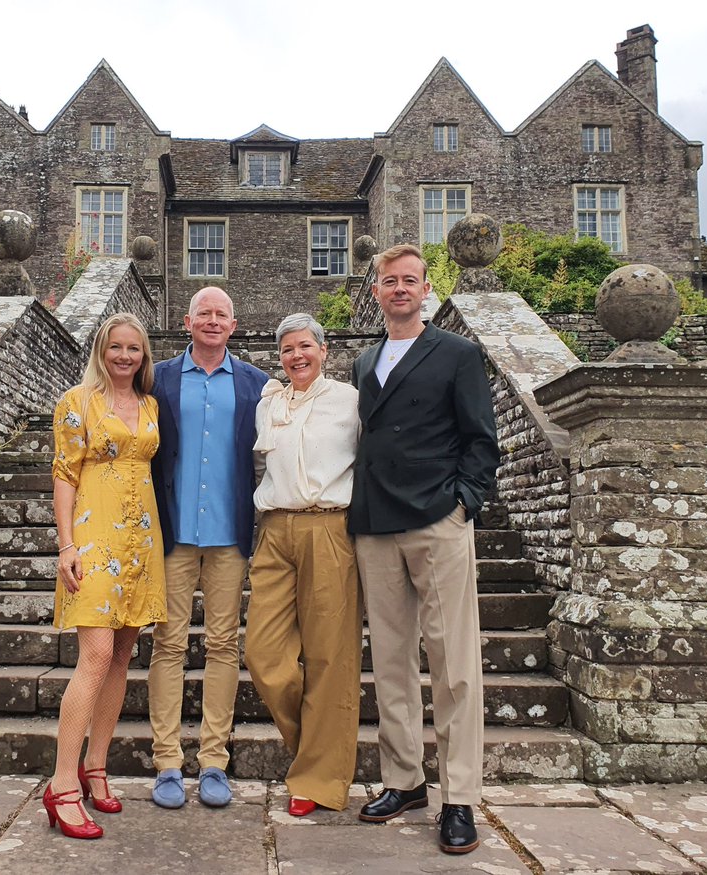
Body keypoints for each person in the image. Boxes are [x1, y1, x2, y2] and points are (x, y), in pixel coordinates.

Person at [349, 244, 499, 856]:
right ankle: (404, 781)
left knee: (453, 664)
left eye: (410, 280)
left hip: (437, 520)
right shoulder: (363, 362)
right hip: (375, 523)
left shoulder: (458, 354)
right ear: (377, 291)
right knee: (390, 662)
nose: (400, 289)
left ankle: (459, 796)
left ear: (426, 288)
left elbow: (481, 440)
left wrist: (461, 502)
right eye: (390, 281)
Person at [43, 312, 167, 840]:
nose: (124, 356)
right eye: (115, 347)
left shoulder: (149, 404)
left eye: (134, 348)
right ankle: (62, 785)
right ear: (102, 350)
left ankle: (97, 766)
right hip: (94, 536)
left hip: (142, 538)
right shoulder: (78, 402)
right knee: (94, 655)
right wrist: (66, 544)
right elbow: (65, 474)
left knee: (122, 654)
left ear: (143, 356)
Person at [148, 286, 269, 809]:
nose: (213, 321)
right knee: (168, 645)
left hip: (229, 536)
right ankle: (167, 762)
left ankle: (214, 761)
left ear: (234, 324)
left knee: (223, 645)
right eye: (205, 314)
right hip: (174, 533)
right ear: (187, 321)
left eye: (222, 313)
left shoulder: (257, 385)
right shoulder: (160, 379)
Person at [244, 313, 362, 817]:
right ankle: (317, 750)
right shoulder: (268, 402)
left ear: (324, 350)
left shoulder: (350, 401)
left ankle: (318, 777)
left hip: (329, 527)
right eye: (288, 348)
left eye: (305, 346)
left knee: (330, 659)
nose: (297, 355)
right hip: (273, 531)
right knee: (264, 657)